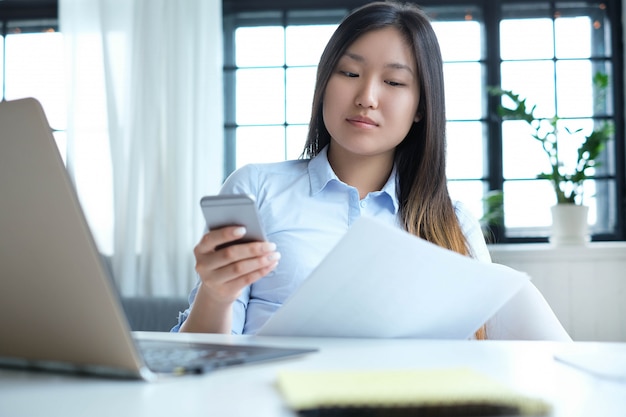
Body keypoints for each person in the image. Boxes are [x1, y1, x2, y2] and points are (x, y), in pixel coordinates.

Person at [172, 0, 571, 341]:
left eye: (394, 82)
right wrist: (217, 293)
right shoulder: (256, 188)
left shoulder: (452, 223)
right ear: (324, 84)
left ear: (420, 109)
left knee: (521, 296)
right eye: (349, 74)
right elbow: (199, 359)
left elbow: (483, 354)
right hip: (264, 397)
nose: (366, 97)